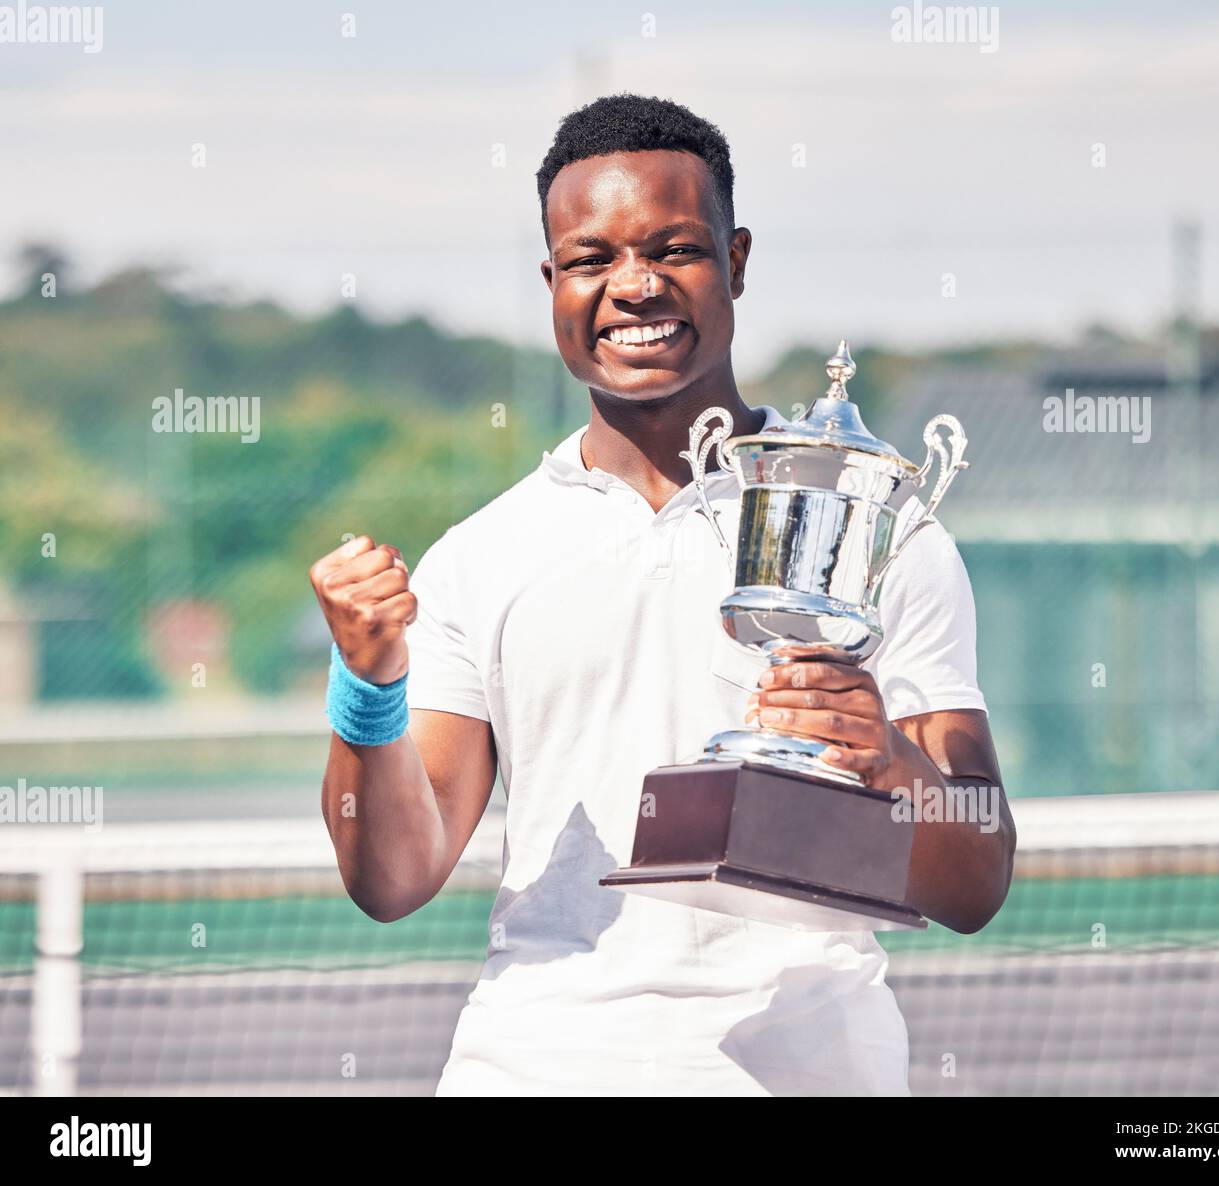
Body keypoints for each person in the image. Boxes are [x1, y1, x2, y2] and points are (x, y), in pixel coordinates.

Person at [310, 93, 1015, 1096]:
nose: (633, 287)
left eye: (673, 249)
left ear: (735, 261)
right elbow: (391, 879)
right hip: (532, 1067)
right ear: (552, 281)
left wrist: (892, 761)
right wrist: (367, 684)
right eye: (591, 259)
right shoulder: (477, 557)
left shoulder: (874, 528)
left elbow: (976, 883)